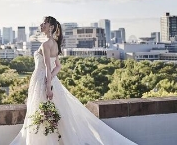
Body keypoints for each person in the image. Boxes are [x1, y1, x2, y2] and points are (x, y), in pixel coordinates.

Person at [10, 16, 137, 145]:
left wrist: (48, 87)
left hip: (42, 83)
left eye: (44, 23)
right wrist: (51, 79)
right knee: (52, 116)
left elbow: (49, 67)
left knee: (41, 114)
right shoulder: (55, 44)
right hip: (49, 81)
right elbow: (57, 66)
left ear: (51, 27)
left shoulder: (45, 45)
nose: (41, 25)